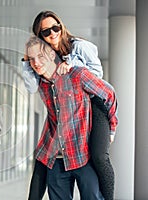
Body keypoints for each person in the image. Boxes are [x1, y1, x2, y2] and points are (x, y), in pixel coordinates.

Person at [22, 10, 115, 200]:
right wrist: (27, 61)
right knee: (42, 162)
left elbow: (101, 80)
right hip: (61, 139)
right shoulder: (43, 82)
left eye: (55, 28)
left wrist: (72, 67)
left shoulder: (78, 49)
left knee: (99, 157)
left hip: (94, 104)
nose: (52, 34)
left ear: (61, 27)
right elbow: (32, 83)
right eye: (46, 32)